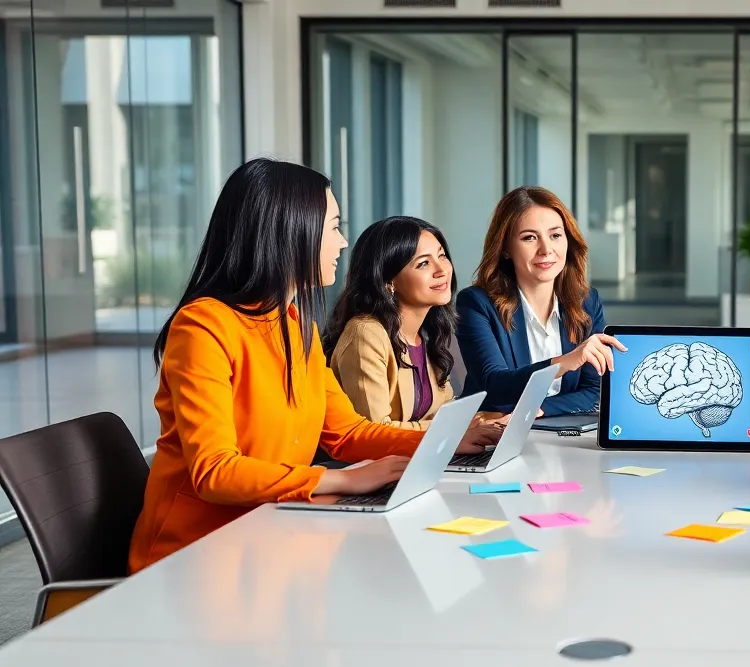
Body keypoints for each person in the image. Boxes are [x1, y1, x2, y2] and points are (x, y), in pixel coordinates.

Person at [129, 159, 495, 573]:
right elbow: (215, 472)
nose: (342, 244)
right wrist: (342, 480)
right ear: (290, 232)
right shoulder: (203, 325)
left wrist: (446, 441)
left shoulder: (293, 323)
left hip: (275, 534)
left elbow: (346, 433)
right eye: (334, 227)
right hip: (195, 557)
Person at [324, 215, 506, 442]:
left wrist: (487, 419)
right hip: (373, 467)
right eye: (423, 263)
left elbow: (441, 415)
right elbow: (374, 431)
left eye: (441, 256)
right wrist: (458, 430)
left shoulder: (427, 333)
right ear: (388, 280)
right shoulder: (365, 334)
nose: (442, 270)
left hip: (419, 459)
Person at [456, 186, 626, 415]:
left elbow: (593, 390)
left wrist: (538, 410)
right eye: (529, 238)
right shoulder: (476, 303)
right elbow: (494, 386)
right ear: (506, 248)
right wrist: (564, 362)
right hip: (492, 436)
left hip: (559, 432)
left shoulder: (586, 301)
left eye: (555, 235)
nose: (546, 250)